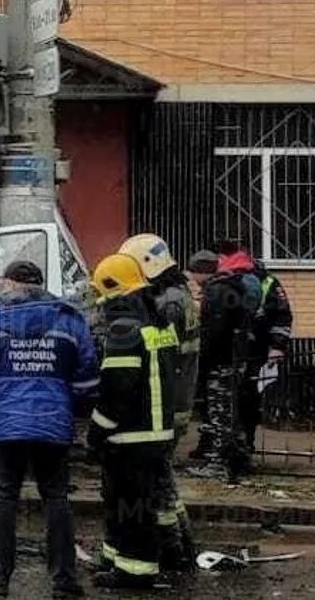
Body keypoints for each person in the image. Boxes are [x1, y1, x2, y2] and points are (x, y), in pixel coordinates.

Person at [0, 260, 95, 599]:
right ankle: (64, 580)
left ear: (10, 283)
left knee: (3, 494)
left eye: (3, 281)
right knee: (56, 497)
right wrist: (69, 404)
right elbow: (88, 377)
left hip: (4, 423)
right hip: (53, 422)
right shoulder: (68, 318)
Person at [86, 254, 179, 590]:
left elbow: (117, 388)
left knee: (131, 508)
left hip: (131, 437)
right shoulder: (158, 322)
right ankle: (116, 558)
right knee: (125, 503)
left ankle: (134, 572)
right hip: (155, 432)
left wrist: (96, 432)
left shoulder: (124, 328)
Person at [117, 235, 198, 570]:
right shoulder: (180, 294)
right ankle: (183, 543)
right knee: (164, 477)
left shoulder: (170, 301)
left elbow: (153, 333)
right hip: (177, 398)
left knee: (159, 483)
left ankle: (173, 550)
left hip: (166, 404)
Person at [217, 241, 293, 473]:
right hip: (227, 353)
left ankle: (243, 450)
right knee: (224, 402)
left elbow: (282, 316)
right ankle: (223, 450)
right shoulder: (222, 281)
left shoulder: (266, 281)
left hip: (255, 353)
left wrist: (277, 346)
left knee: (247, 400)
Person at [184, 250, 252, 482]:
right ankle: (240, 458)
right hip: (234, 359)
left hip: (221, 362)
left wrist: (202, 362)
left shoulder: (216, 292)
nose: (192, 279)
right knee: (232, 412)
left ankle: (219, 464)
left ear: (202, 271)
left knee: (220, 413)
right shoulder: (231, 287)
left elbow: (212, 332)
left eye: (194, 272)